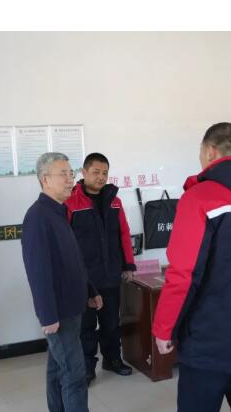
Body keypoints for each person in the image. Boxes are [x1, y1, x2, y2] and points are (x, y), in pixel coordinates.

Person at [152, 122, 231, 412]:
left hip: (209, 342)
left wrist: (164, 327)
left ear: (210, 151)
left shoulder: (199, 197)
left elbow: (183, 274)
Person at [22, 152, 103, 412]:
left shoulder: (59, 211)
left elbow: (73, 259)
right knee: (74, 375)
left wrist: (90, 290)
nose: (70, 180)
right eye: (63, 174)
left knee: (58, 369)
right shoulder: (38, 216)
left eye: (71, 173)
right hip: (59, 312)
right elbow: (38, 271)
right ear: (45, 179)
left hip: (72, 305)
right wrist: (47, 315)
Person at [65, 152, 136, 385]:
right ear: (84, 172)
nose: (101, 177)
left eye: (105, 173)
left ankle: (112, 359)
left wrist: (128, 265)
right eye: (96, 172)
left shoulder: (115, 201)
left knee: (111, 323)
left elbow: (124, 233)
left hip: (110, 274)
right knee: (85, 326)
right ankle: (87, 366)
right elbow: (65, 241)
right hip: (84, 278)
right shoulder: (71, 202)